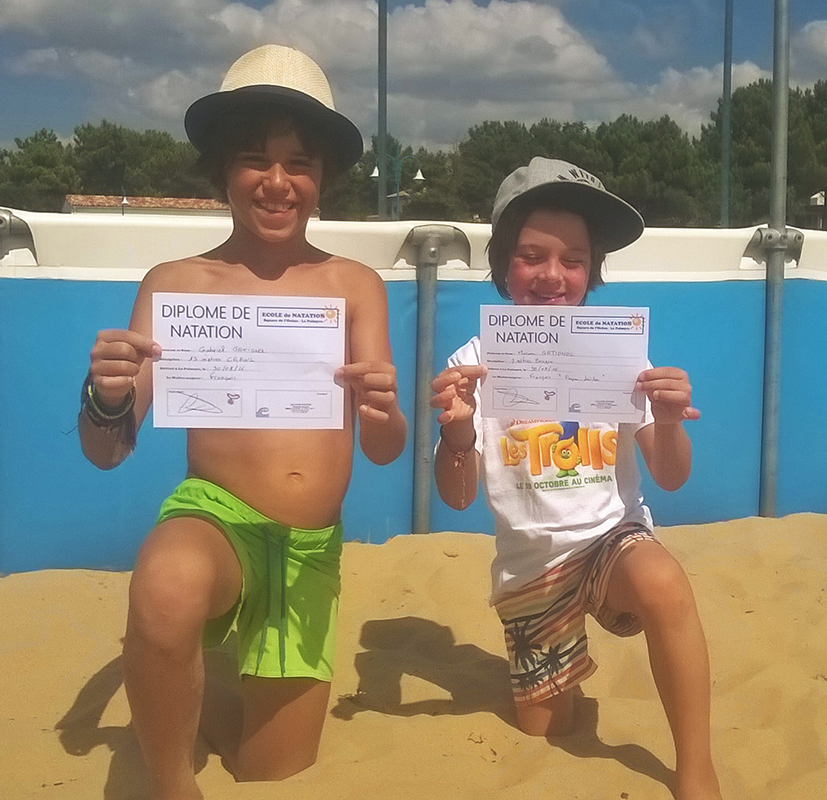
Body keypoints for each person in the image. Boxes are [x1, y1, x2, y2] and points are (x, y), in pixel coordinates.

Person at [79, 44, 406, 799]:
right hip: (215, 518)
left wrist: (383, 409)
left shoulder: (354, 284)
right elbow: (107, 451)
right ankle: (171, 784)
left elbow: (386, 449)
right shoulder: (175, 284)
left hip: (308, 548)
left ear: (322, 180)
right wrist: (107, 395)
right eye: (255, 159)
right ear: (224, 170)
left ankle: (208, 683)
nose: (276, 181)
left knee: (271, 768)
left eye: (299, 164)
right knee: (166, 585)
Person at [430, 157, 722, 799]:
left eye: (574, 260)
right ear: (504, 264)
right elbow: (457, 496)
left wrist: (670, 421)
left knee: (665, 582)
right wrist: (457, 433)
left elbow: (670, 476)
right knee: (544, 730)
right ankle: (555, 680)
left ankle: (697, 770)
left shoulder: (621, 354)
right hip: (530, 570)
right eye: (532, 256)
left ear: (592, 269)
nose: (553, 276)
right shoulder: (473, 364)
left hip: (610, 542)